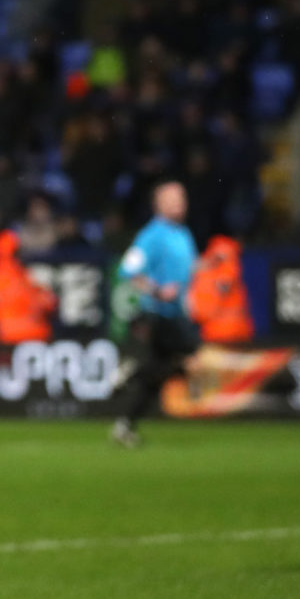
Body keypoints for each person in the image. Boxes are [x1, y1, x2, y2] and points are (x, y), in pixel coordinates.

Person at [110, 181, 199, 448]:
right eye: (172, 199)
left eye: (181, 198)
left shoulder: (183, 233)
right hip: (159, 313)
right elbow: (127, 270)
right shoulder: (152, 235)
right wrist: (157, 291)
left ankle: (125, 425)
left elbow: (188, 271)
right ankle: (132, 372)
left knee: (158, 374)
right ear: (158, 205)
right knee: (189, 355)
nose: (179, 204)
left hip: (177, 311)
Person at [0, 228, 57, 345]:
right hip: (23, 332)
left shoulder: (12, 271)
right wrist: (45, 298)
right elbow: (36, 301)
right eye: (20, 250)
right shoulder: (9, 272)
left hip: (8, 333)